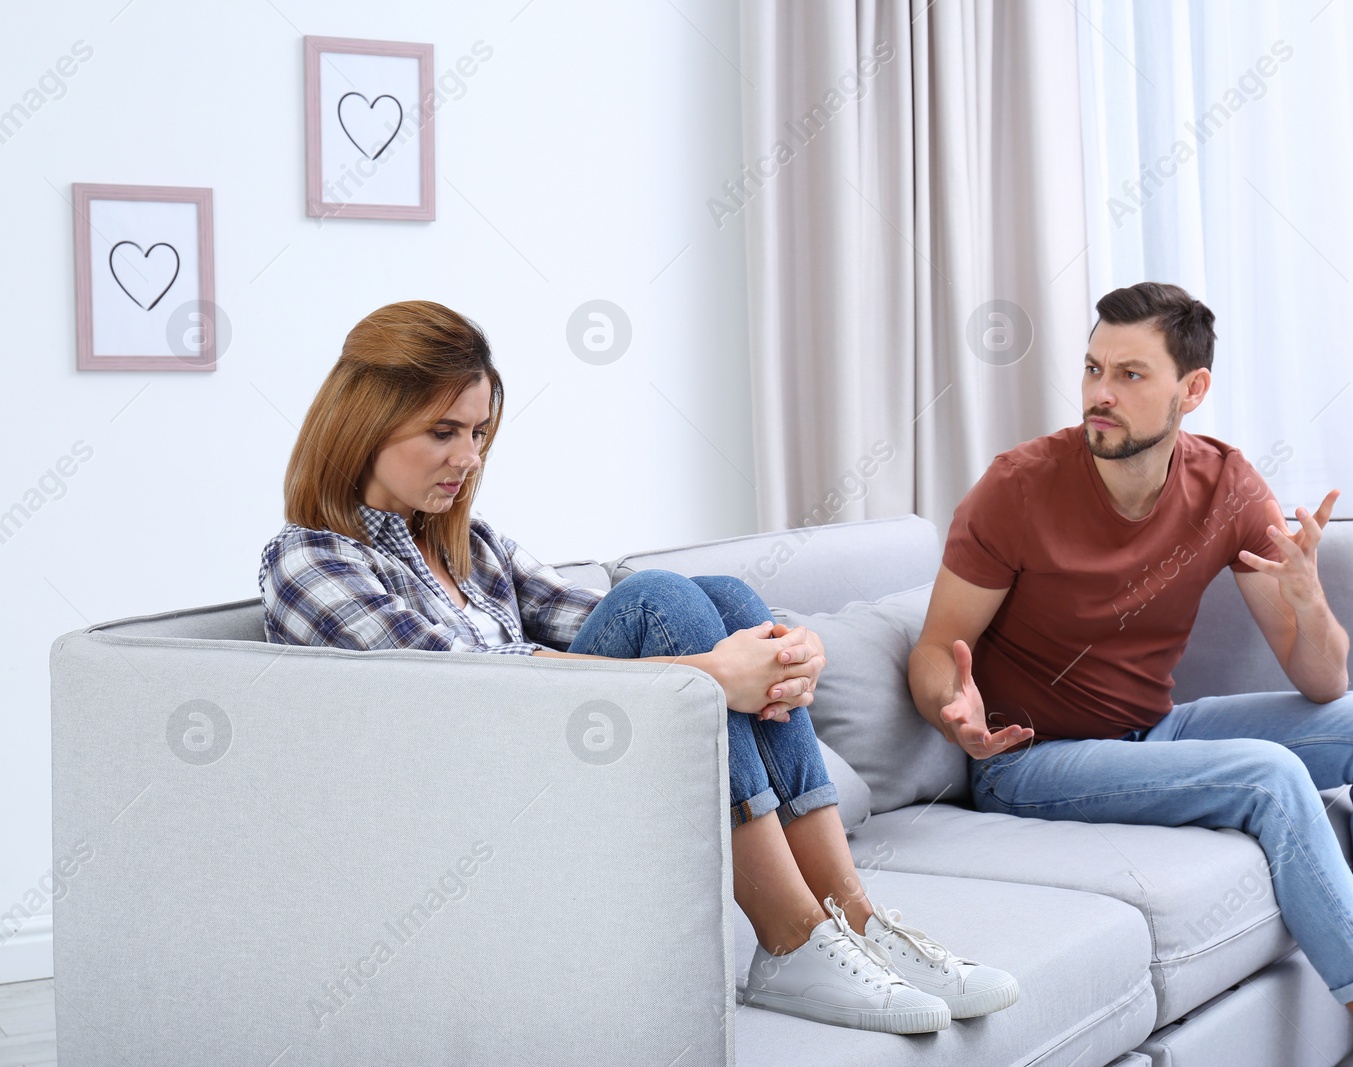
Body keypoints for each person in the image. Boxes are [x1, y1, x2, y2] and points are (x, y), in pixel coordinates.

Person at [258, 299, 1018, 1034]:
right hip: (470, 808)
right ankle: (787, 938)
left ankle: (852, 915)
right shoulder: (309, 560)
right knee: (664, 599)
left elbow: (590, 621)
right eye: (444, 432)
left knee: (718, 595)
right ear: (365, 423)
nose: (470, 458)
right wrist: (710, 677)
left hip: (557, 764)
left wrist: (786, 648)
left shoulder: (471, 544)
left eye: (481, 432)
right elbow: (471, 684)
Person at [906, 282, 1353, 1067]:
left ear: (1193, 389)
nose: (1099, 395)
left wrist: (1311, 603)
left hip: (1154, 730)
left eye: (1131, 375)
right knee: (1269, 776)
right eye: (1092, 368)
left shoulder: (1227, 484)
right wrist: (953, 709)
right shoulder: (1018, 488)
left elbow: (1322, 681)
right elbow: (936, 649)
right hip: (1030, 758)